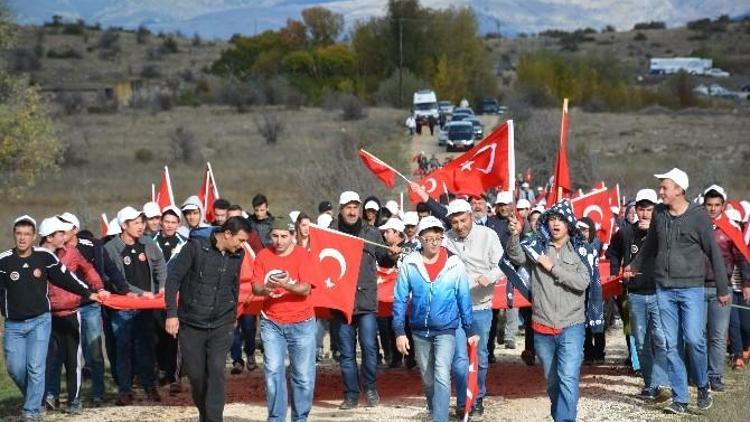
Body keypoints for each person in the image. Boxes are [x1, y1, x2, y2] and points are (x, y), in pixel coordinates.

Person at [626, 168, 729, 414]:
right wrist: (634, 265)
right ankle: (680, 399)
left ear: (679, 189)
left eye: (664, 187)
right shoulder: (660, 213)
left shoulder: (698, 216)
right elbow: (650, 244)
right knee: (671, 344)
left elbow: (714, 253)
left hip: (692, 288)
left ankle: (703, 385)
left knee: (694, 339)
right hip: (664, 288)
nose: (660, 192)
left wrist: (723, 289)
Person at [1, 216, 102, 422]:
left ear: (34, 236)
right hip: (14, 325)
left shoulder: (45, 257)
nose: (22, 238)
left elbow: (65, 278)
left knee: (37, 366)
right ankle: (36, 397)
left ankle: (32, 411)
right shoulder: (3, 261)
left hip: (41, 320)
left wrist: (90, 292)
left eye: (27, 234)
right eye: (19, 234)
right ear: (14, 235)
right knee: (15, 368)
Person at [506, 200, 593, 422]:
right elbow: (516, 257)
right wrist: (515, 235)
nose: (556, 224)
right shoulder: (537, 245)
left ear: (569, 224)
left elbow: (582, 282)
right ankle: (560, 416)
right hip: (542, 325)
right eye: (552, 219)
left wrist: (552, 267)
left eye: (561, 219)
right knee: (552, 381)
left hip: (571, 325)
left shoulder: (580, 249)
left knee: (568, 377)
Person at [393, 216, 479, 422]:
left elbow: (463, 298)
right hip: (419, 330)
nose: (434, 243)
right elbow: (400, 298)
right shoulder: (410, 263)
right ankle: (434, 408)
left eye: (438, 238)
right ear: (420, 239)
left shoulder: (454, 264)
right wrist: (399, 332)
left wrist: (470, 329)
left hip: (446, 329)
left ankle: (440, 418)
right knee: (427, 377)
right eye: (429, 238)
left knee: (442, 373)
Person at [165, 217, 252, 422]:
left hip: (221, 323)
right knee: (196, 376)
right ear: (227, 234)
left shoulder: (238, 254)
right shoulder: (195, 247)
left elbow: (234, 284)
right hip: (192, 322)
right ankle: (205, 414)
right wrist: (171, 313)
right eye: (240, 240)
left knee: (216, 370)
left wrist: (232, 316)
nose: (242, 245)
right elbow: (173, 279)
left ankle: (214, 419)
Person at [331, 191, 396, 410]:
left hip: (366, 300)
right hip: (341, 302)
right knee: (346, 353)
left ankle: (370, 388)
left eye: (355, 207)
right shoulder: (329, 232)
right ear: (340, 209)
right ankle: (350, 394)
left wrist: (393, 254)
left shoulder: (372, 233)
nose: (352, 211)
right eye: (347, 207)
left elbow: (384, 261)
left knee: (369, 348)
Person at [251, 218, 319, 422]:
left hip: (302, 322)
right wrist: (267, 289)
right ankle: (276, 418)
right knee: (272, 371)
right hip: (271, 322)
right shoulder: (263, 255)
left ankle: (300, 418)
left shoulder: (303, 256)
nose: (279, 241)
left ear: (292, 235)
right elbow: (255, 287)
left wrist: (285, 285)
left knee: (304, 377)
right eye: (275, 236)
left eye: (283, 236)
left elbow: (305, 289)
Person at [608, 188, 670, 402]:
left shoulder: (664, 232)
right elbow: (612, 252)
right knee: (641, 343)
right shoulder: (626, 232)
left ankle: (663, 383)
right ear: (635, 210)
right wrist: (616, 272)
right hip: (635, 294)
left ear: (656, 211)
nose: (644, 214)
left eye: (649, 209)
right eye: (641, 209)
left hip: (660, 293)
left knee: (661, 339)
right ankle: (651, 384)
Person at [41, 217, 106, 414]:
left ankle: (74, 399)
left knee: (73, 360)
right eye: (60, 233)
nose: (65, 236)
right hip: (45, 315)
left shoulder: (72, 252)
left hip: (70, 312)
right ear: (50, 237)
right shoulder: (36, 257)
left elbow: (88, 270)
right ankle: (49, 396)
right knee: (49, 359)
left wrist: (99, 288)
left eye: (64, 232)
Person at [104, 206, 167, 405]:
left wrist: (163, 285)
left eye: (142, 222)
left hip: (146, 306)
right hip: (123, 307)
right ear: (124, 226)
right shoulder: (111, 248)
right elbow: (116, 280)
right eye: (136, 223)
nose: (141, 226)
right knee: (123, 347)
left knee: (146, 346)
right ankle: (125, 389)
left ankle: (150, 386)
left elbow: (160, 264)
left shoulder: (148, 242)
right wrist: (140, 293)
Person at [702, 185, 750, 391]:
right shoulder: (696, 225)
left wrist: (747, 284)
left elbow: (741, 257)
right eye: (709, 205)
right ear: (704, 206)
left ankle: (715, 376)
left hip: (722, 288)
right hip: (695, 286)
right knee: (697, 335)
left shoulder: (731, 228)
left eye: (716, 205)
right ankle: (699, 374)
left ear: (723, 206)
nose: (713, 209)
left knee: (718, 335)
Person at [152, 205, 189, 393]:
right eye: (166, 221)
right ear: (161, 222)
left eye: (173, 222)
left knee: (175, 336)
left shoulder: (185, 243)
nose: (169, 225)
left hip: (176, 297)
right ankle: (161, 371)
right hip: (154, 298)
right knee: (158, 336)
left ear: (178, 224)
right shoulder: (150, 242)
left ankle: (176, 377)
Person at [725, 208, 750, 369]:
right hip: (729, 289)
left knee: (746, 324)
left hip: (744, 290)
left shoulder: (744, 244)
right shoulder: (724, 243)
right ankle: (737, 356)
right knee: (733, 324)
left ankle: (746, 347)